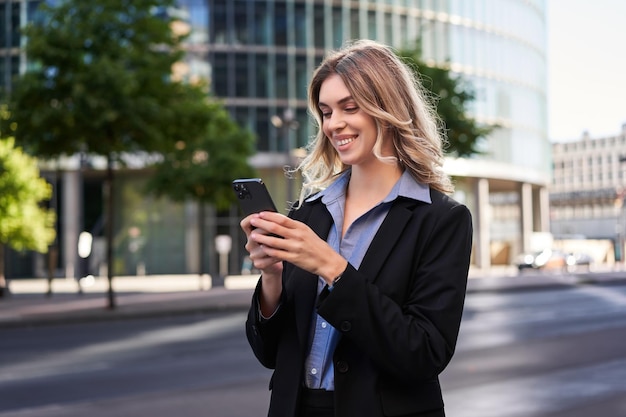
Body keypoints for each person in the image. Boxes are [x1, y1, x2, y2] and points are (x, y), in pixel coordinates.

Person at [239, 39, 473, 417]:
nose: (334, 124)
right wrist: (272, 277)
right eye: (326, 111)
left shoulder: (441, 219)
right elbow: (268, 353)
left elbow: (424, 353)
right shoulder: (307, 213)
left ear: (388, 108)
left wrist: (332, 268)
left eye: (350, 107)